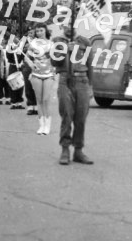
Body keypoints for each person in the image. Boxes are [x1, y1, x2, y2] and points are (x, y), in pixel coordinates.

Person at [52, 24, 94, 165]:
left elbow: (90, 64)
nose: (69, 27)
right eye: (66, 24)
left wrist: (91, 87)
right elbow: (54, 61)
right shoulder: (57, 41)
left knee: (81, 117)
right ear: (62, 26)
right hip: (65, 81)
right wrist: (64, 51)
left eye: (72, 24)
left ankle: (78, 150)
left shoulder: (85, 42)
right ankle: (65, 149)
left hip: (82, 80)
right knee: (67, 116)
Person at [25, 24, 54, 135]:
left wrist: (55, 67)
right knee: (39, 100)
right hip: (36, 74)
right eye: (37, 31)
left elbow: (56, 58)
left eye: (41, 30)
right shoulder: (33, 44)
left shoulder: (51, 44)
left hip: (48, 74)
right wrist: (31, 64)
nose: (39, 33)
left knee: (46, 99)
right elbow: (27, 57)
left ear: (46, 31)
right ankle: (41, 125)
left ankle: (47, 126)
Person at [22, 27, 38, 115]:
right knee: (28, 86)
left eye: (32, 32)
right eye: (29, 32)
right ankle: (30, 106)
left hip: (37, 65)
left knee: (36, 86)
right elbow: (19, 51)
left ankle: (36, 106)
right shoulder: (24, 41)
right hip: (27, 66)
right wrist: (25, 48)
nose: (30, 34)